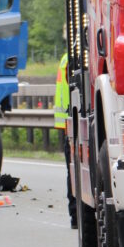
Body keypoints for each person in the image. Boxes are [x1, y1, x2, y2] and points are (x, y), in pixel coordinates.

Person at [54, 52, 75, 228]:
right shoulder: (73, 59)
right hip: (72, 120)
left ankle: (75, 215)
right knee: (74, 171)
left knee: (72, 171)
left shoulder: (65, 58)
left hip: (68, 121)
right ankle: (76, 214)